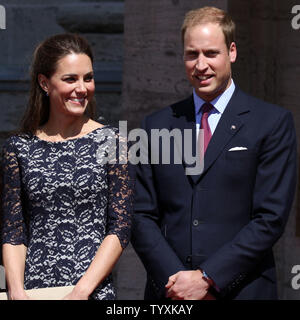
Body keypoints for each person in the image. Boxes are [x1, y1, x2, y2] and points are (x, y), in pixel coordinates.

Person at [131, 6, 297, 300]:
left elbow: (270, 217)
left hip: (243, 291)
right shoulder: (155, 125)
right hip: (170, 294)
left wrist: (208, 279)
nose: (201, 64)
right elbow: (141, 214)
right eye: (192, 54)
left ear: (231, 52)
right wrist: (179, 282)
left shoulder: (271, 123)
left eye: (211, 53)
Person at [0, 33, 134, 300]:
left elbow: (120, 227)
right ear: (44, 83)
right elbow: (13, 230)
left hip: (92, 291)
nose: (82, 88)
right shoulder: (18, 148)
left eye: (88, 78)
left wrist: (81, 291)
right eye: (71, 79)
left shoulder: (113, 143)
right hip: (33, 292)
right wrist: (15, 291)